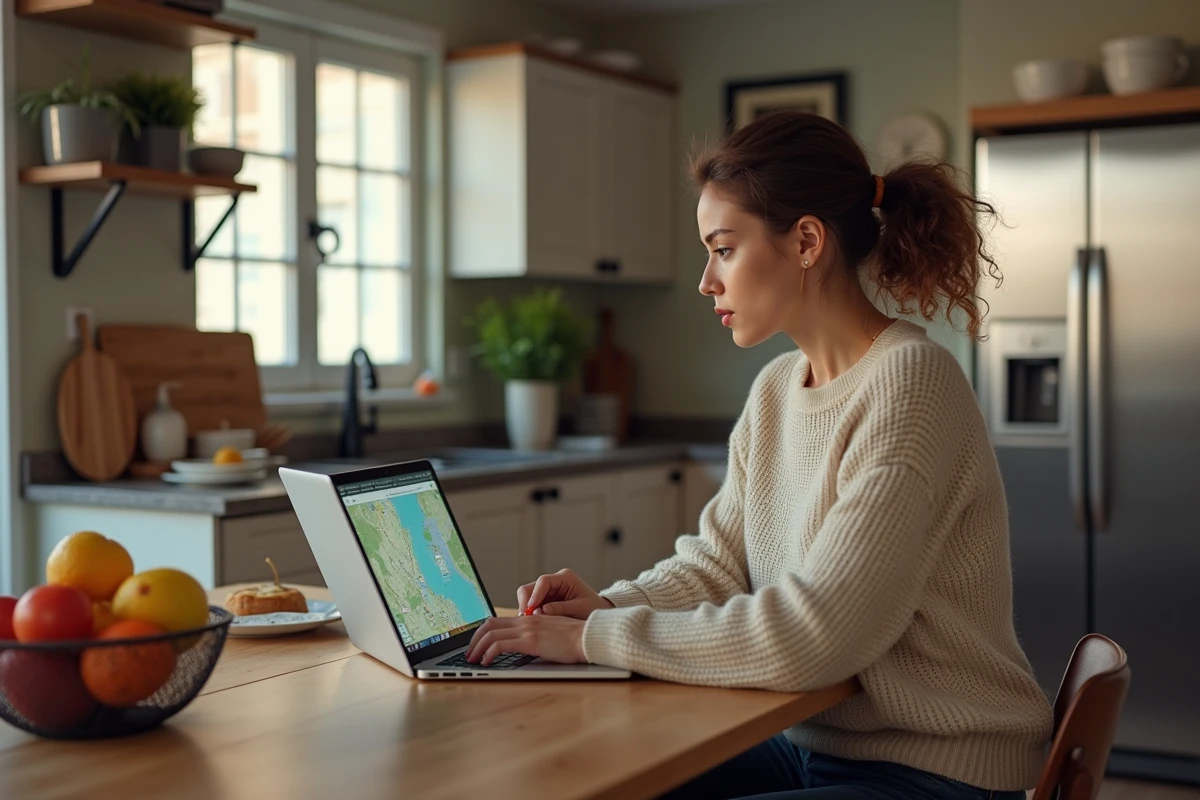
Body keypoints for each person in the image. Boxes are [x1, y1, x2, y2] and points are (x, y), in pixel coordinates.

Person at [465, 110, 1053, 799]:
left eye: (724, 248)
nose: (706, 281)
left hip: (933, 766)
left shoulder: (912, 385)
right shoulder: (777, 388)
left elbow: (818, 635)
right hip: (812, 742)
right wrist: (600, 610)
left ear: (805, 241)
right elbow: (719, 564)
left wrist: (598, 639)